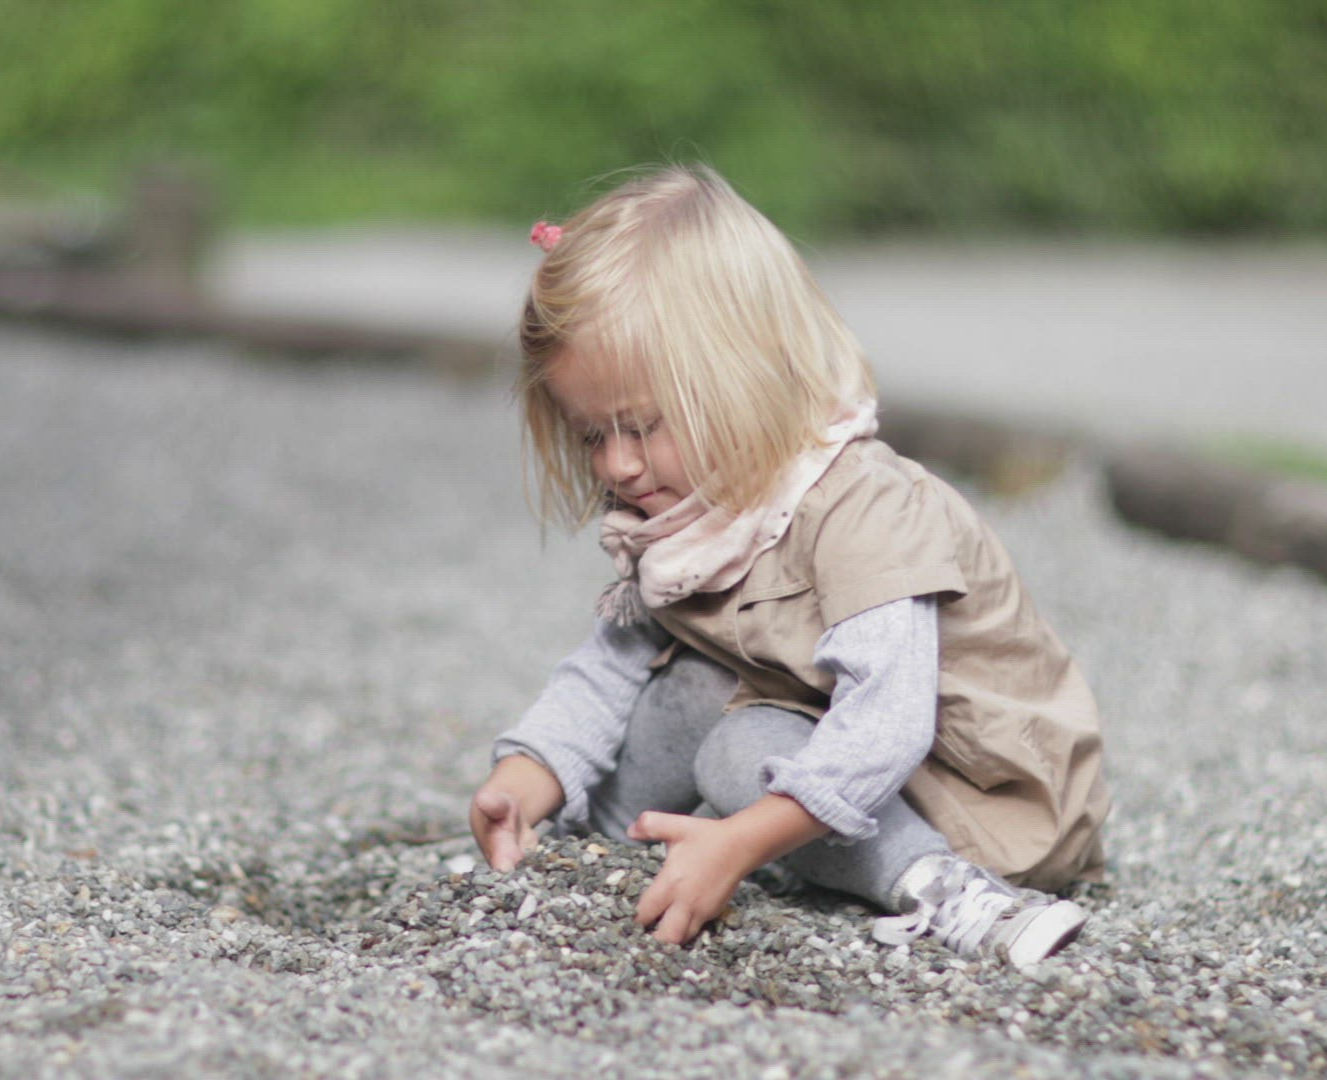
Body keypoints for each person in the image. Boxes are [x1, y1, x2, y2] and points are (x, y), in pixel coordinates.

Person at [468, 164, 1109, 967]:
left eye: (643, 426)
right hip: (835, 753)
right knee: (692, 684)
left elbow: (887, 725)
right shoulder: (684, 516)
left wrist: (742, 841)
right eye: (594, 435)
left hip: (981, 799)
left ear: (746, 377)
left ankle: (943, 888)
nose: (619, 466)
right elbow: (609, 669)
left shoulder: (862, 507)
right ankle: (584, 843)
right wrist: (527, 777)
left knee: (737, 749)